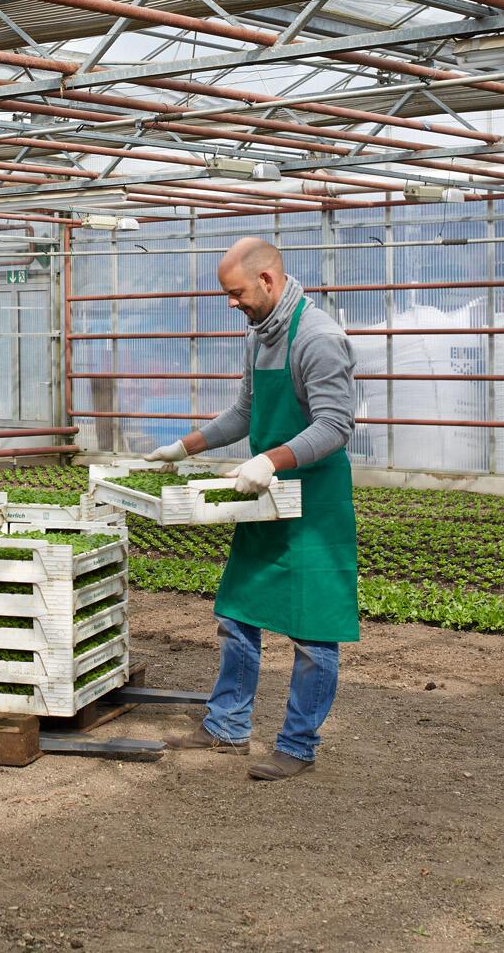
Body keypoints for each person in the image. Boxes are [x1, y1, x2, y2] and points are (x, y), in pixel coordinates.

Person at [146, 236, 358, 780]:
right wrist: (183, 447)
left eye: (236, 292)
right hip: (263, 496)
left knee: (314, 631)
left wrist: (269, 460)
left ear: (267, 280)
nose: (231, 303)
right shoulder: (261, 335)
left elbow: (336, 427)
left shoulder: (318, 337)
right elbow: (244, 411)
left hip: (313, 506)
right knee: (237, 611)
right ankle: (228, 726)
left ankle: (298, 744)